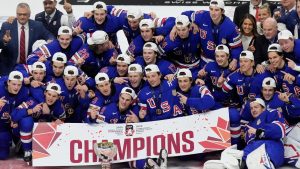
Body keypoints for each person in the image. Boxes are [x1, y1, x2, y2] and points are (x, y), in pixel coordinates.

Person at [204, 98, 286, 169]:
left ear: (263, 108)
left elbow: (280, 129)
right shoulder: (249, 124)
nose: (253, 110)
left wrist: (259, 132)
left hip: (271, 146)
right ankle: (228, 165)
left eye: (256, 107)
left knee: (253, 159)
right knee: (230, 153)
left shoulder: (270, 113)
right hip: (251, 150)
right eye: (251, 108)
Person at [11, 83, 65, 162]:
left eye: (54, 96)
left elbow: (63, 120)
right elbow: (14, 115)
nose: (50, 98)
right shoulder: (32, 101)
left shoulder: (59, 105)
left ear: (58, 97)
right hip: (22, 133)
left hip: (40, 136)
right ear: (45, 93)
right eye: (49, 94)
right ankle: (27, 150)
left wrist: (58, 121)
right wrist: (32, 111)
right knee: (27, 121)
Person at [182, 0, 243, 71]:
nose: (213, 13)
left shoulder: (231, 27)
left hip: (223, 63)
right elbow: (184, 15)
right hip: (204, 61)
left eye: (216, 10)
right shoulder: (202, 16)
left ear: (222, 11)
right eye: (211, 9)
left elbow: (237, 47)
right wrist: (191, 22)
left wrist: (235, 60)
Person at [0, 3, 54, 75]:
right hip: (8, 67)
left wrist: (49, 42)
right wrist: (4, 41)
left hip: (29, 66)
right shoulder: (7, 25)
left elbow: (50, 36)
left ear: (29, 14)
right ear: (16, 14)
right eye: (19, 14)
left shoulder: (37, 25)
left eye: (25, 14)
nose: (22, 17)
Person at [0, 71, 29, 160]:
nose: (16, 87)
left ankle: (20, 145)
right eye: (14, 84)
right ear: (8, 82)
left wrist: (16, 120)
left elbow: (26, 108)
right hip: (1, 125)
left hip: (11, 124)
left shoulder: (24, 92)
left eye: (19, 85)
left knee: (24, 122)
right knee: (3, 155)